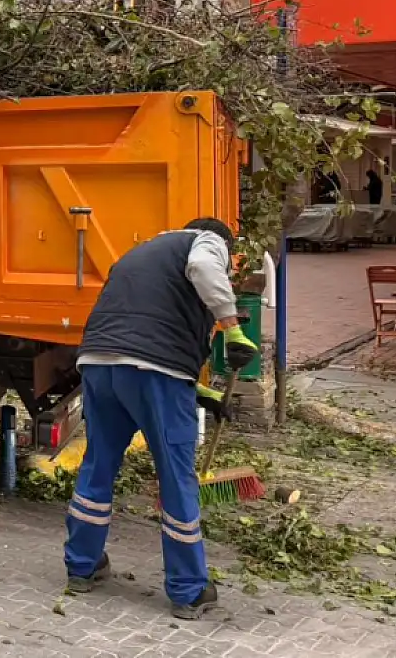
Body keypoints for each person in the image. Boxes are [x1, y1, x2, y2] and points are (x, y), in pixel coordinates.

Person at [61, 217, 258, 620]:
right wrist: (232, 327)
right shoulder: (206, 243)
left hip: (100, 362)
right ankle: (188, 590)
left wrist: (203, 395)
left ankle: (82, 566)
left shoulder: (139, 253)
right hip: (155, 370)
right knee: (176, 476)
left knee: (98, 463)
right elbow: (204, 270)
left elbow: (140, 330)